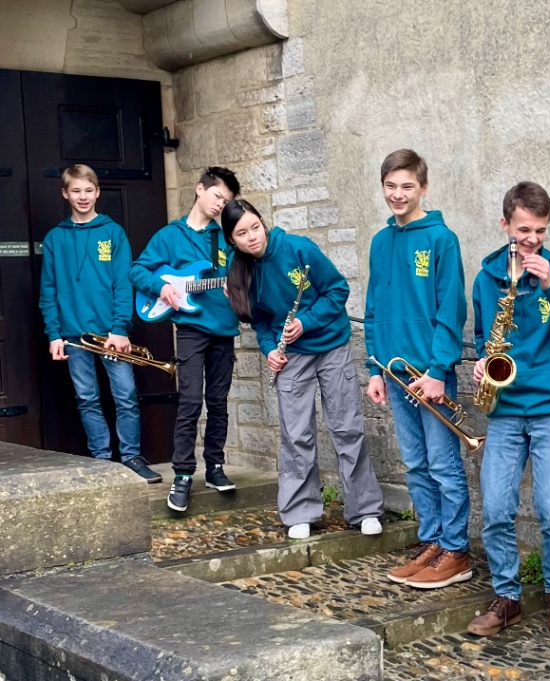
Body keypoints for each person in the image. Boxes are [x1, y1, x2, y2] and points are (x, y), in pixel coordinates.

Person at [466, 181, 550, 637]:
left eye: (540, 230)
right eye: (524, 229)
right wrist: (483, 363)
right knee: (497, 508)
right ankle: (507, 597)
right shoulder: (486, 279)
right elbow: (485, 335)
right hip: (504, 409)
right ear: (505, 224)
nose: (531, 239)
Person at [223, 199, 385, 539]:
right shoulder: (243, 271)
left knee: (346, 427)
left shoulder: (299, 249)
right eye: (242, 233)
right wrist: (269, 351)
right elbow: (263, 321)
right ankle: (300, 510)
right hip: (291, 355)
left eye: (255, 227)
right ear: (232, 240)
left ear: (263, 223)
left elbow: (338, 290)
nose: (252, 237)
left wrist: (305, 321)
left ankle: (365, 509)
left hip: (331, 345)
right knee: (296, 433)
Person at [365, 149, 472, 588]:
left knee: (444, 465)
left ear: (423, 188)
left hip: (429, 375)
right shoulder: (379, 241)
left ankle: (457, 551)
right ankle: (432, 541)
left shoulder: (441, 239)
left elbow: (452, 309)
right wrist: (375, 369)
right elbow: (372, 308)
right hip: (393, 372)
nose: (398, 194)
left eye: (407, 186)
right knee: (415, 465)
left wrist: (438, 370)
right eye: (391, 185)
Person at [39, 164, 161, 483]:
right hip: (73, 336)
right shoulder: (55, 238)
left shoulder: (112, 232)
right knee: (87, 398)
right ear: (65, 193)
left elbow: (123, 283)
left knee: (125, 394)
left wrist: (120, 328)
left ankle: (132, 456)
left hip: (111, 335)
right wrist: (54, 334)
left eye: (88, 190)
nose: (83, 197)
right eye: (76, 190)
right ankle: (102, 460)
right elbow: (48, 289)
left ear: (98, 193)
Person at [129, 166, 241, 512]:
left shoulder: (225, 238)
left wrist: (235, 285)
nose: (222, 204)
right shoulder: (169, 236)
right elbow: (137, 270)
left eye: (227, 200)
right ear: (199, 189)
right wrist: (161, 286)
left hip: (223, 329)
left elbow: (243, 273)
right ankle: (182, 475)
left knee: (219, 402)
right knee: (190, 401)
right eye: (218, 196)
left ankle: (216, 467)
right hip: (191, 329)